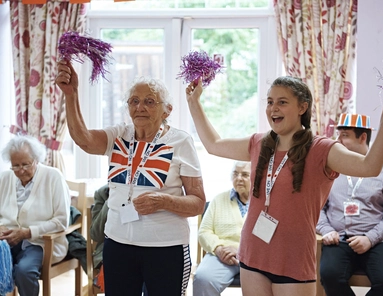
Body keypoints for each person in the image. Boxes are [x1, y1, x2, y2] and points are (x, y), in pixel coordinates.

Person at [185, 76, 383, 296]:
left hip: (293, 258)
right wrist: (194, 103)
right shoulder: (259, 143)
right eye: (270, 102)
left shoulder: (322, 149)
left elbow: (370, 167)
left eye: (282, 102)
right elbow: (213, 145)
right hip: (254, 252)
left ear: (302, 107)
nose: (273, 108)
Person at [56, 60, 206, 296]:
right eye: (134, 101)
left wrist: (163, 201)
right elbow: (83, 139)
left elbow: (197, 202)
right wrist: (71, 94)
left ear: (167, 110)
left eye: (149, 101)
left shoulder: (181, 141)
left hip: (165, 247)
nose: (140, 107)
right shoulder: (119, 135)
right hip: (118, 244)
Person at [316, 113, 383, 296]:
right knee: (330, 276)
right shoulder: (329, 170)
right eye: (338, 135)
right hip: (338, 239)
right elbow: (316, 207)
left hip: (378, 241)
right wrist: (326, 230)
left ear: (362, 137)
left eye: (345, 136)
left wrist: (370, 238)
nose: (337, 141)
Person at [0, 135, 70, 296]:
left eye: (25, 164)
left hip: (39, 242)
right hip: (6, 241)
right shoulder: (4, 178)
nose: (21, 170)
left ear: (36, 160)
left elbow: (61, 220)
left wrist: (27, 232)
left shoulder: (54, 177)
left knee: (24, 271)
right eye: (15, 166)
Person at [193, 161, 251, 296]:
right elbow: (204, 231)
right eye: (235, 174)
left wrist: (240, 251)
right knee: (203, 279)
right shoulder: (219, 199)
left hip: (255, 257)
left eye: (245, 175)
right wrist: (219, 249)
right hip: (222, 255)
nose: (239, 178)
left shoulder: (264, 202)